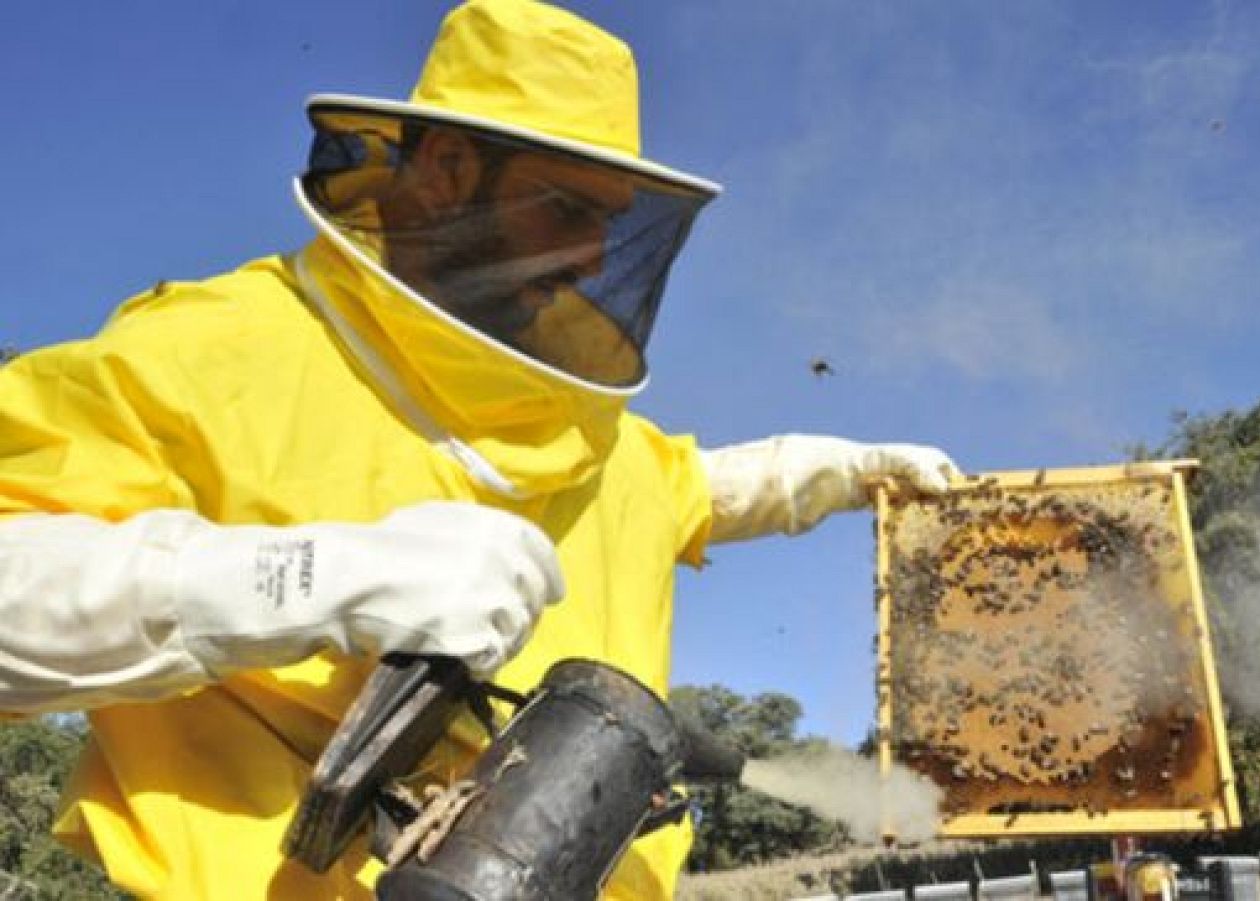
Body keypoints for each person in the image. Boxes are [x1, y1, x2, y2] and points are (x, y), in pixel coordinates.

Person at [0, 1, 958, 898]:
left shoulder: (588, 435)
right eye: (567, 209)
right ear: (449, 171)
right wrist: (309, 579)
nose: (593, 258)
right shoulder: (214, 353)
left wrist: (843, 469)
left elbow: (692, 487)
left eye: (612, 225)